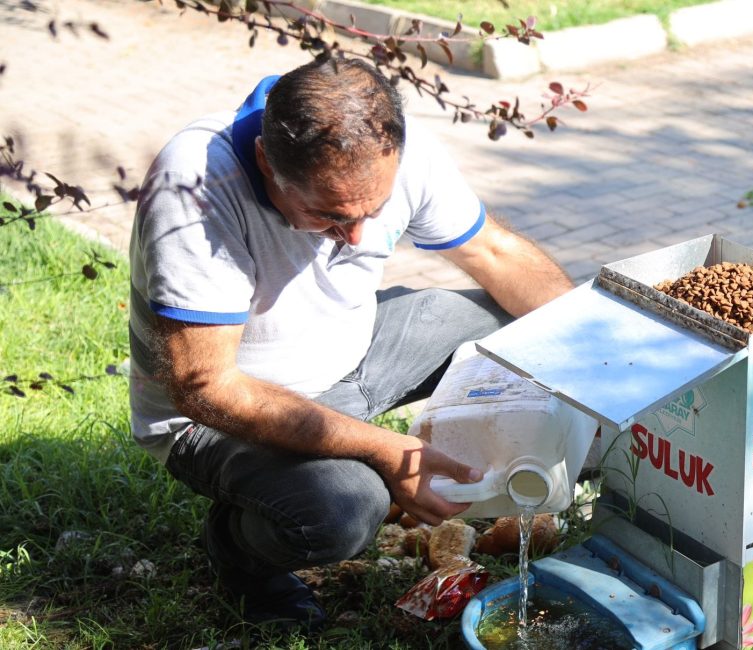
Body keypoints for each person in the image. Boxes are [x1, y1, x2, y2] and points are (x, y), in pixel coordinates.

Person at [127, 56, 573, 633]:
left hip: (356, 355)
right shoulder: (195, 187)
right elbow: (204, 387)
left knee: (524, 324)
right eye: (328, 216)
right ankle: (239, 552)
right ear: (267, 162)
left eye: (375, 211)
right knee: (344, 510)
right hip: (220, 416)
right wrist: (386, 453)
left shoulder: (391, 146)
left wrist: (596, 357)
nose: (358, 235)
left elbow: (496, 253)